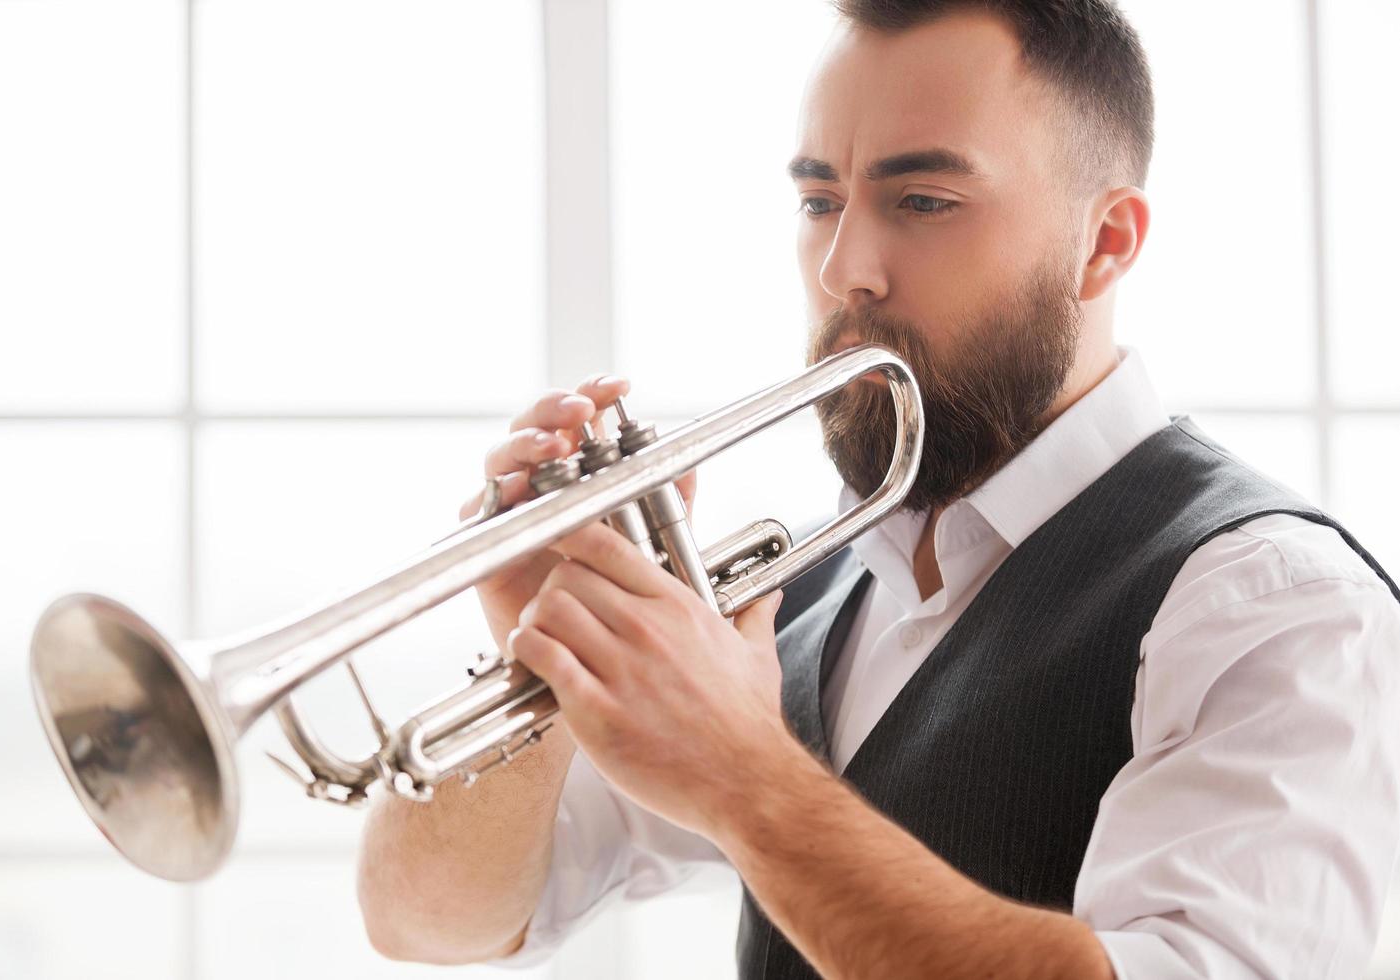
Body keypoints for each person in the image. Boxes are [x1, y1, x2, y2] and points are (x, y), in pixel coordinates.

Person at [355, 2, 1400, 977]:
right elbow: (431, 917)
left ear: (1106, 242)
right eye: (820, 200)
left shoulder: (1278, 604)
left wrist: (744, 775)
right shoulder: (795, 593)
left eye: (924, 201)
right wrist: (535, 654)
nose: (844, 267)